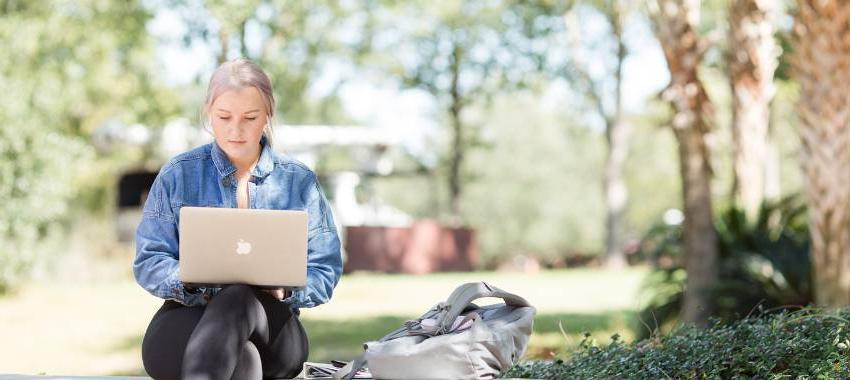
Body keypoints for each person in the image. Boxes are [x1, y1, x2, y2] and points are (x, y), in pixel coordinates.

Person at [134, 58, 342, 379]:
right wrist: (188, 276)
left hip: (273, 325)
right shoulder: (179, 174)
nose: (235, 129)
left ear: (268, 114)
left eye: (250, 117)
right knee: (242, 360)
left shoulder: (298, 181)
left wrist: (286, 291)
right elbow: (149, 260)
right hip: (191, 314)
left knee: (239, 298)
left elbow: (325, 268)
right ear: (208, 112)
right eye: (224, 117)